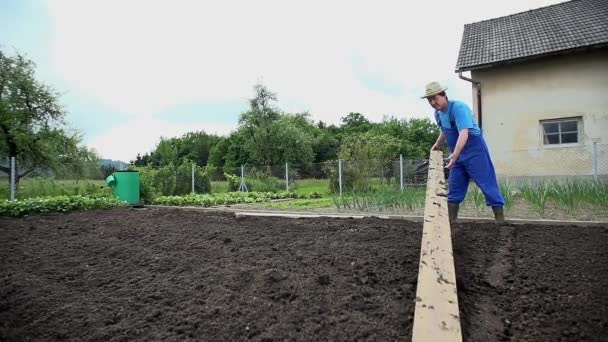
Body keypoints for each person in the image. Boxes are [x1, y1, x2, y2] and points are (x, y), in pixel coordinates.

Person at [422, 81, 505, 224]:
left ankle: (500, 221)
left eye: (434, 98)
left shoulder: (458, 108)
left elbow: (464, 133)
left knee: (487, 183)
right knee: (454, 187)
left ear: (444, 95)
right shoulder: (438, 114)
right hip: (457, 154)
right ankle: (451, 224)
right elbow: (444, 130)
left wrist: (455, 154)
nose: (432, 102)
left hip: (474, 151)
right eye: (429, 100)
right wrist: (438, 144)